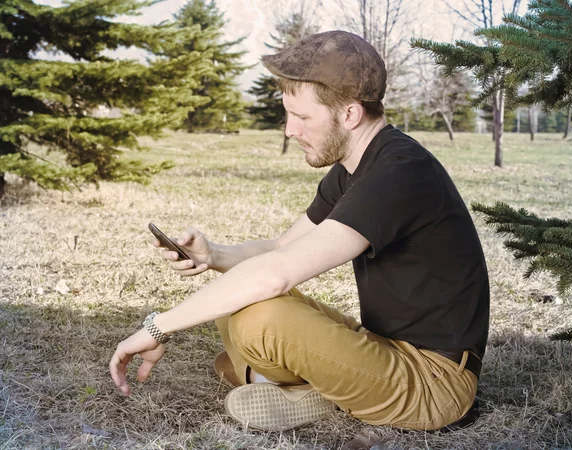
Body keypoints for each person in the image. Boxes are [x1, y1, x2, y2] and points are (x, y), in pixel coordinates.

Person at [109, 30, 490, 432]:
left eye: (303, 117)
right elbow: (280, 247)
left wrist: (158, 326)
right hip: (383, 348)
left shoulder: (399, 172)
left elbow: (279, 272)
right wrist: (213, 256)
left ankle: (294, 387)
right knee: (237, 292)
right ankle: (311, 388)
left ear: (349, 114)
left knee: (261, 319)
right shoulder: (352, 168)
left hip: (435, 383)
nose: (290, 130)